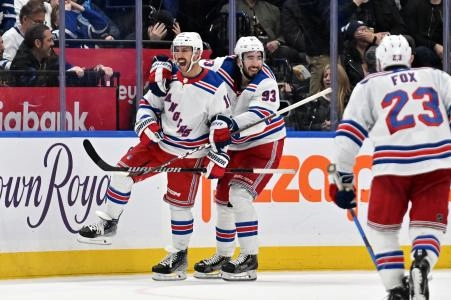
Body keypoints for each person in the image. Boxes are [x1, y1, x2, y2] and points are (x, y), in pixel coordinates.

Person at [77, 32, 233, 281]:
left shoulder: (215, 86)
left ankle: (179, 257)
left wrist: (218, 153)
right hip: (159, 145)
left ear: (196, 54)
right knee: (120, 174)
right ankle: (109, 223)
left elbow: (222, 124)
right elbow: (146, 105)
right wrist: (148, 125)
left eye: (185, 51)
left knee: (179, 206)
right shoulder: (166, 76)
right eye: (176, 50)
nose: (179, 55)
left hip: (189, 153)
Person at [148, 36, 286, 281]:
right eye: (250, 57)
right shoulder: (222, 65)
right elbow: (192, 66)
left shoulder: (266, 82)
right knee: (222, 199)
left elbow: (259, 117)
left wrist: (229, 123)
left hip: (263, 144)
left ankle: (249, 257)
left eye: (259, 57)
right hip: (233, 144)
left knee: (239, 195)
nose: (256, 63)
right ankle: (223, 255)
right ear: (238, 58)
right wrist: (165, 64)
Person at [330, 35, 451, 300]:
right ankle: (421, 261)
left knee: (381, 229)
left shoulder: (369, 85)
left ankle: (396, 288)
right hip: (438, 162)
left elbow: (348, 137)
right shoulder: (435, 76)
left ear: (378, 61)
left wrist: (342, 180)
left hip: (392, 166)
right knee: (427, 226)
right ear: (410, 59)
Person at [0, 0, 46, 70]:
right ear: (25, 19)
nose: (40, 26)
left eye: (42, 23)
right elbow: (3, 63)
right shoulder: (10, 36)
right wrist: (23, 67)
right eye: (37, 22)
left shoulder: (39, 37)